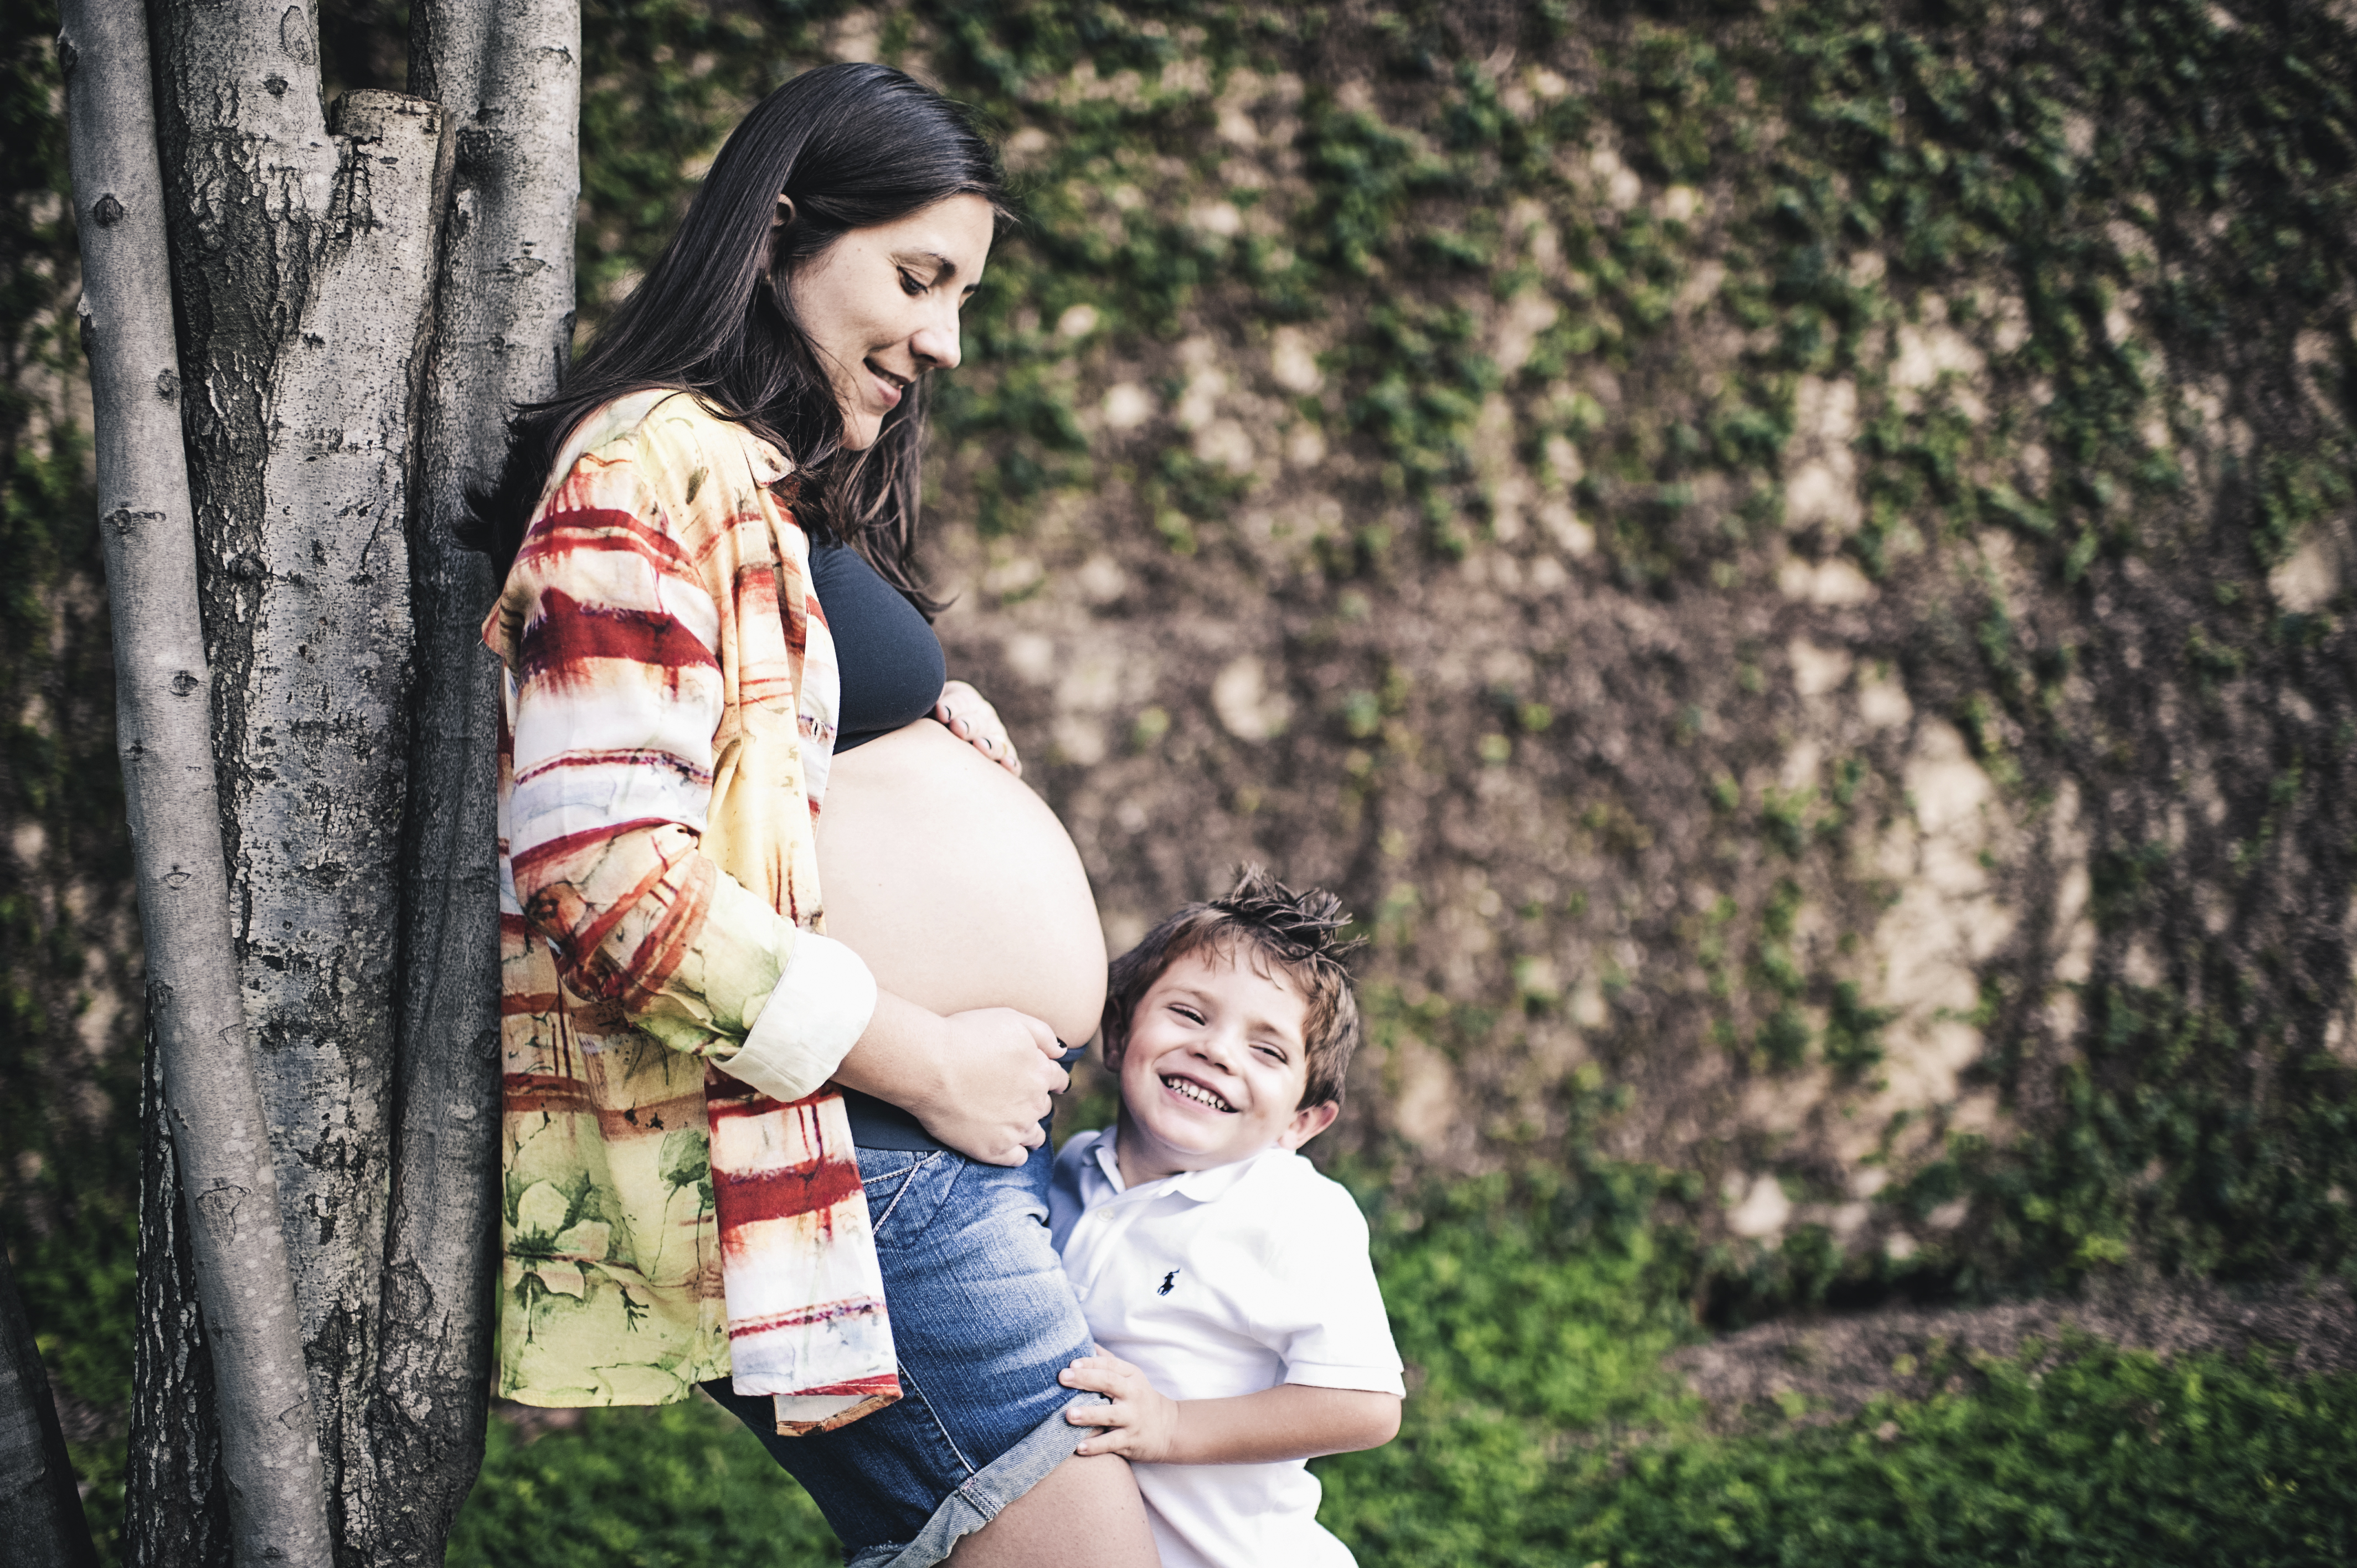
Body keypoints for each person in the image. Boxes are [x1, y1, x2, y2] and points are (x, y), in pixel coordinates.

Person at [469, 61, 1157, 1567]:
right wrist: (927, 1058)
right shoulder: (650, 453)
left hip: (914, 1148)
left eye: (962, 294)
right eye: (919, 277)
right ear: (780, 235)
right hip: (863, 1143)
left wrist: (912, 716)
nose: (947, 339)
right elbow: (601, 872)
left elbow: (742, 774)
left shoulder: (758, 478)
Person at [1047, 869, 1406, 1568]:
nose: (1216, 1051)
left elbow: (1365, 1405)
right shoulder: (1069, 1169)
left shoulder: (1293, 1212)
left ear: (1301, 1121)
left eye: (1266, 1050)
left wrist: (1173, 1425)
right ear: (1117, 1034)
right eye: (1189, 1014)